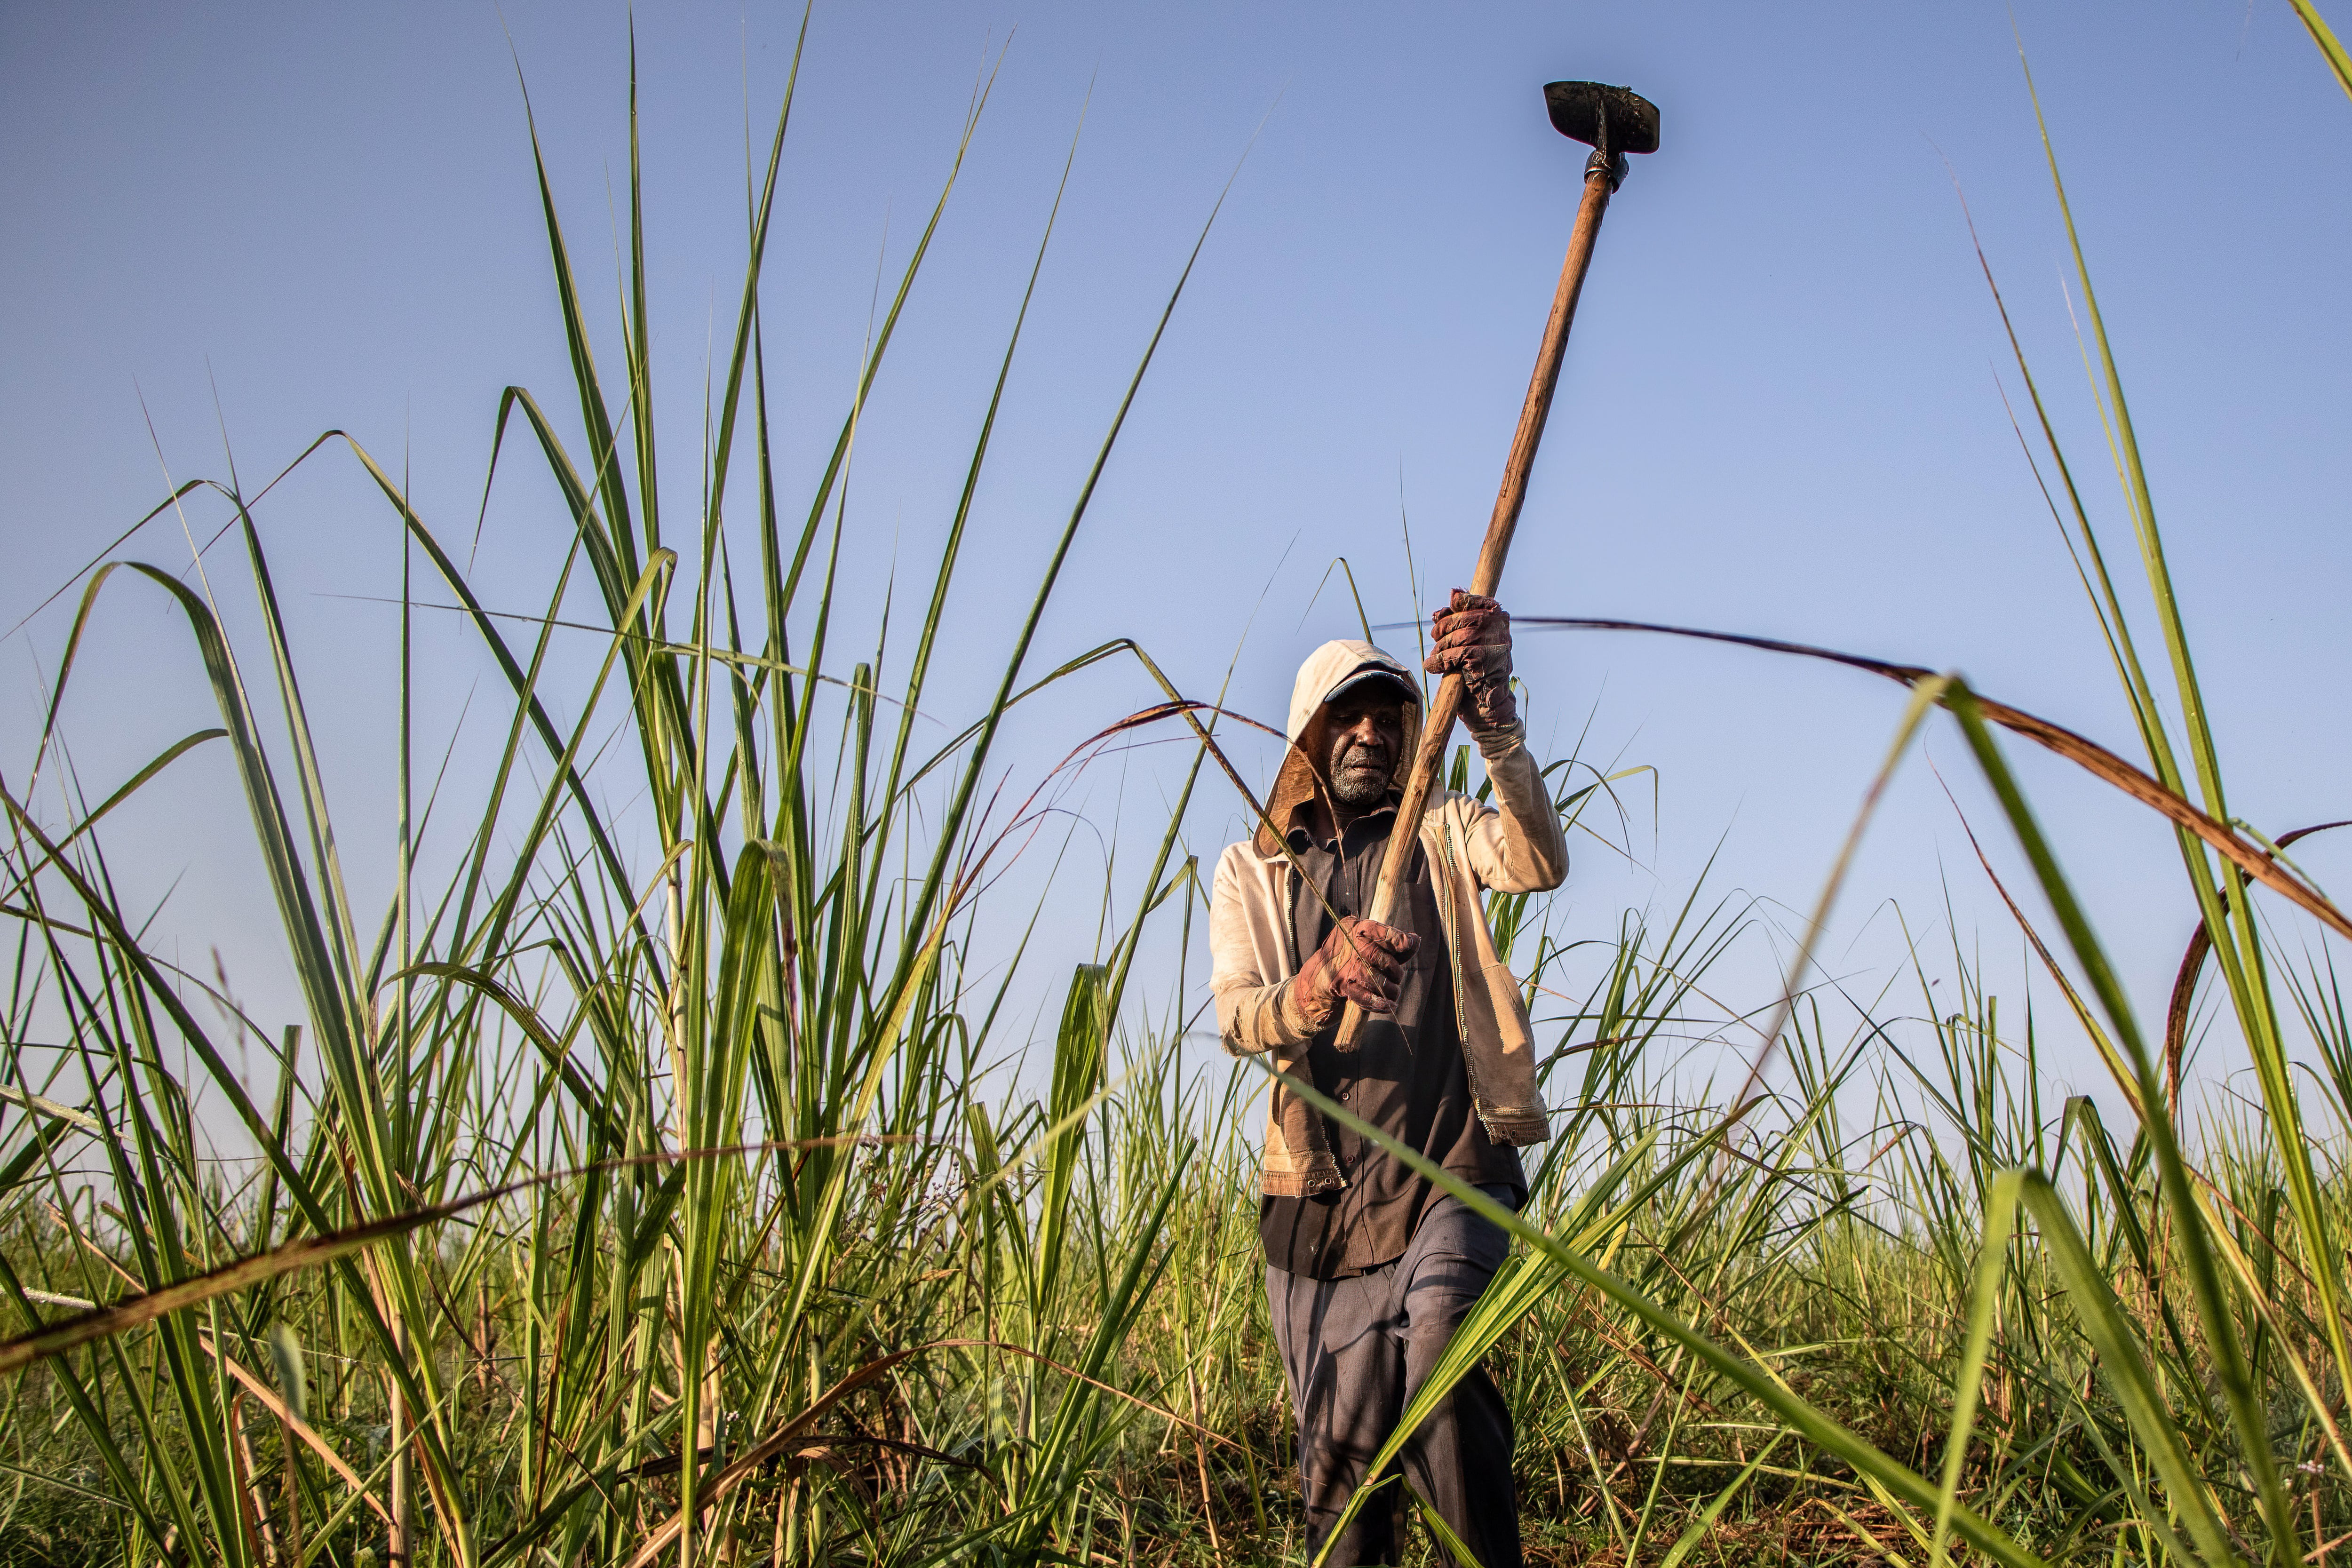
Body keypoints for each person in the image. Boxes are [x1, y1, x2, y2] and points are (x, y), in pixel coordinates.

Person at [1209, 590, 1566, 1568]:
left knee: (1446, 1363)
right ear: (1309, 734)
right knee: (1343, 1491)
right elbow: (1238, 1011)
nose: (1368, 729)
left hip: (1453, 1171)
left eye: (1386, 713)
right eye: (1346, 714)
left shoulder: (1444, 827)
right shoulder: (1252, 868)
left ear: (1412, 729)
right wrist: (1317, 982)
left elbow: (1538, 857)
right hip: (1320, 1210)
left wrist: (1491, 712)